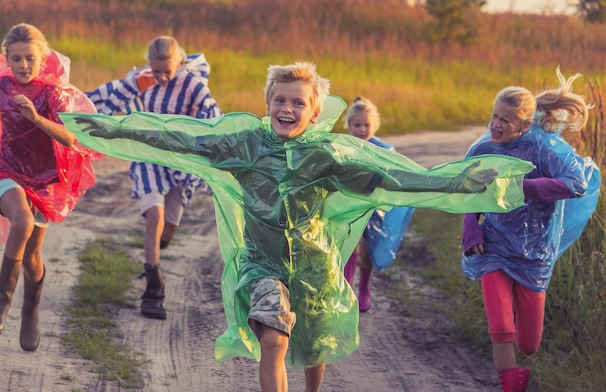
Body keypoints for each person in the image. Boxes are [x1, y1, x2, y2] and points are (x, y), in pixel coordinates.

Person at [60, 61, 532, 391]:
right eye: (279, 100)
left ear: (314, 111)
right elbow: (175, 138)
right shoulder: (244, 144)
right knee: (274, 336)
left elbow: (398, 180)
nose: (287, 108)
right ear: (267, 102)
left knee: (315, 345)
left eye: (298, 102)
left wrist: (467, 181)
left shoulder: (327, 155)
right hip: (263, 263)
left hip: (317, 268)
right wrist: (104, 127)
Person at [460, 67, 600, 392]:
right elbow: (466, 188)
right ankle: (511, 386)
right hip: (493, 247)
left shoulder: (544, 149)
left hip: (534, 255)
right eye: (494, 116)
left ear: (524, 125)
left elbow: (576, 182)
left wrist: (525, 187)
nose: (495, 124)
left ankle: (519, 368)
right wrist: (471, 225)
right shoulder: (483, 149)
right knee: (501, 328)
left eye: (505, 120)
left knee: (529, 344)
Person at [86, 36, 222, 320]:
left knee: (167, 232)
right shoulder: (140, 80)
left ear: (179, 64)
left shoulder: (192, 84)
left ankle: (153, 251)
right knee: (155, 218)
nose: (160, 77)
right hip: (148, 157)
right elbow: (104, 98)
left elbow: (213, 116)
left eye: (166, 71)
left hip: (179, 162)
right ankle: (153, 292)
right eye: (155, 71)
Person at [0, 23, 100, 351]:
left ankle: (30, 310)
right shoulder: (1, 86)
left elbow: (71, 139)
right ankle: (3, 302)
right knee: (21, 222)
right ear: (7, 58)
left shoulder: (52, 93)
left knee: (32, 257)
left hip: (44, 181)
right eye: (16, 58)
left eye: (30, 58)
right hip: (6, 171)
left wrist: (36, 119)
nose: (23, 65)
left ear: (42, 58)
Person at [342, 96, 414, 312]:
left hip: (374, 209)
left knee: (367, 250)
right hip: (349, 206)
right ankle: (346, 290)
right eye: (357, 125)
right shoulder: (344, 146)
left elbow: (394, 177)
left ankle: (364, 287)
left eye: (367, 125)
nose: (362, 129)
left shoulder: (383, 149)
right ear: (349, 125)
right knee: (348, 246)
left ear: (375, 125)